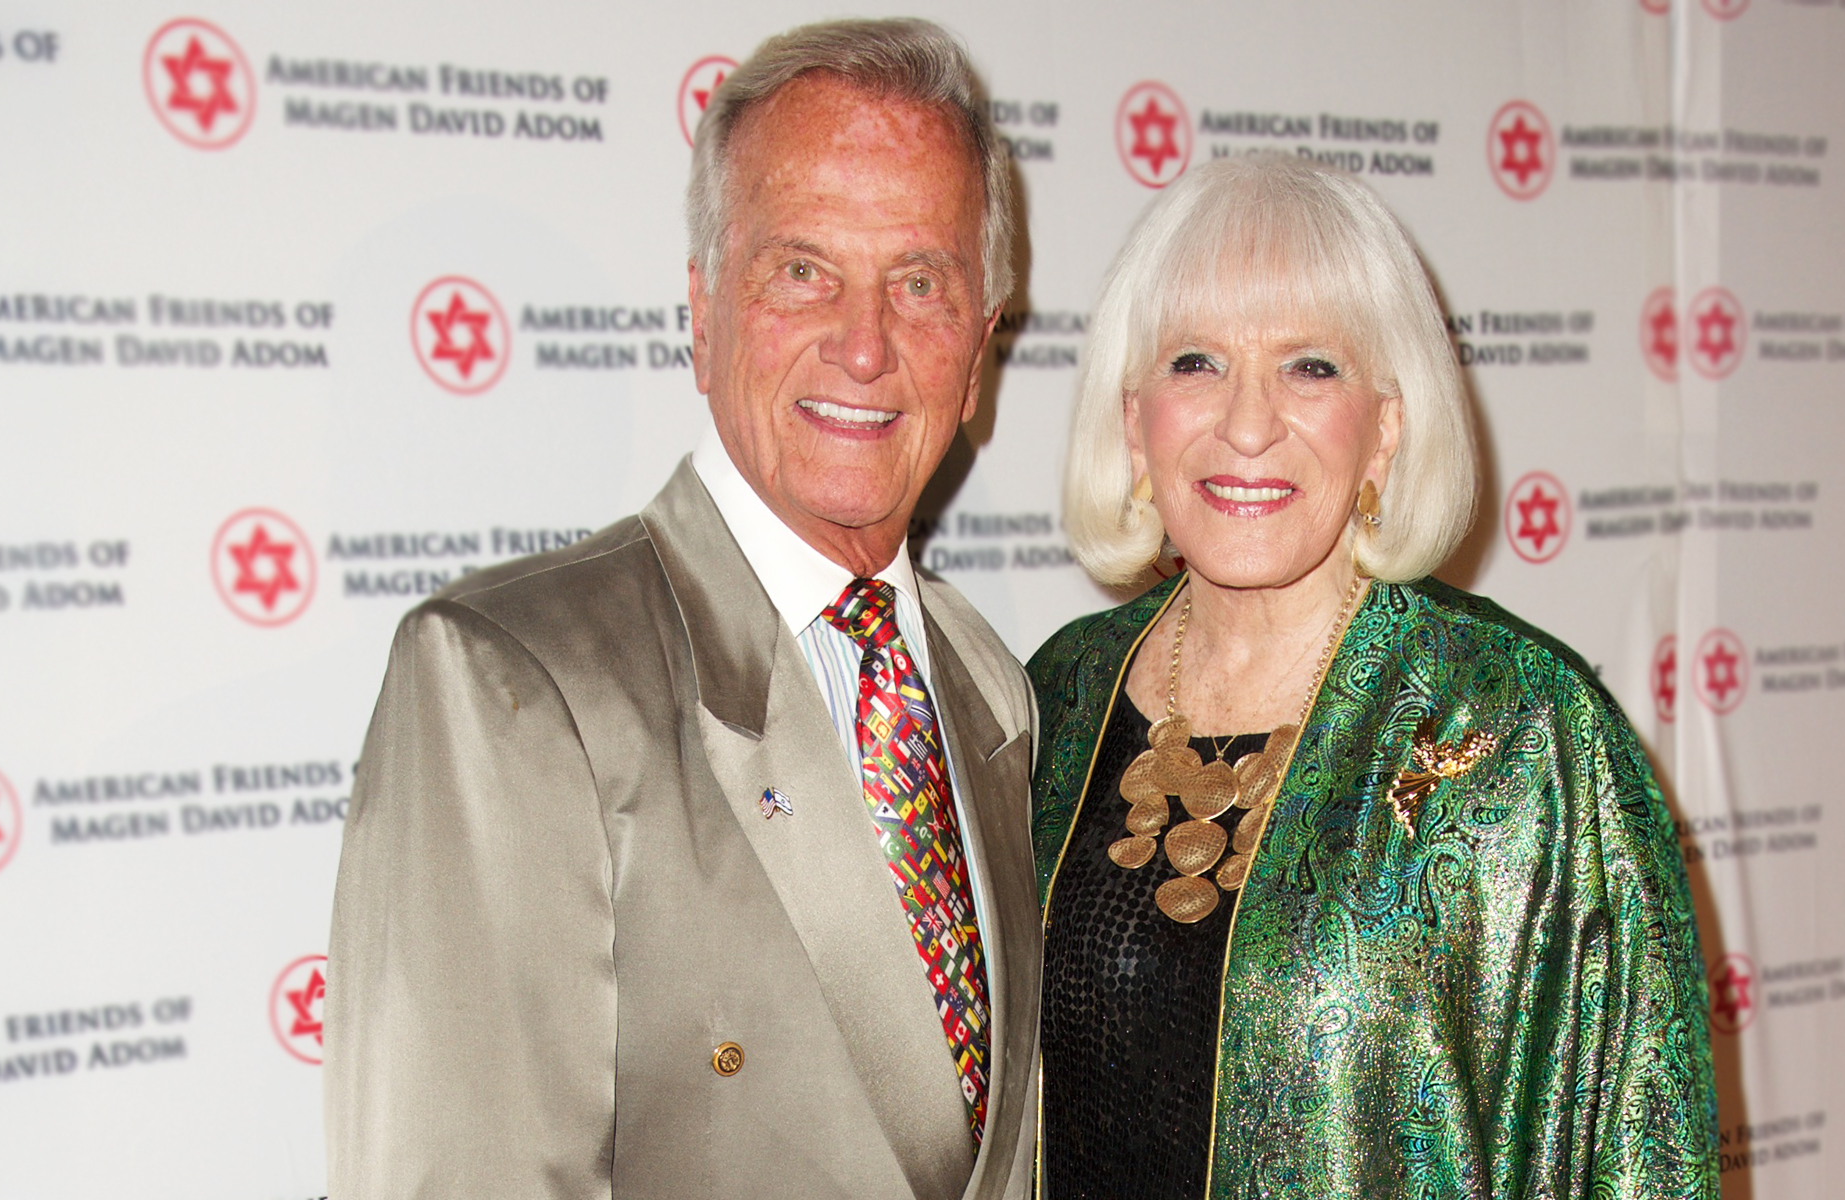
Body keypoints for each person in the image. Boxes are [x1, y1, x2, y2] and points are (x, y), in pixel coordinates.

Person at [325, 20, 1038, 1199]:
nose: (865, 346)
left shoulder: (987, 682)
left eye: (920, 282)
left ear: (976, 356)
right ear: (703, 317)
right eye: (801, 271)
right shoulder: (511, 683)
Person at [1031, 155, 1717, 1198]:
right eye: (1196, 362)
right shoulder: (1057, 696)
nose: (1248, 423)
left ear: (1386, 431)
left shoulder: (1523, 730)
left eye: (1311, 366)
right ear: (1135, 421)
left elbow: (1642, 1153)